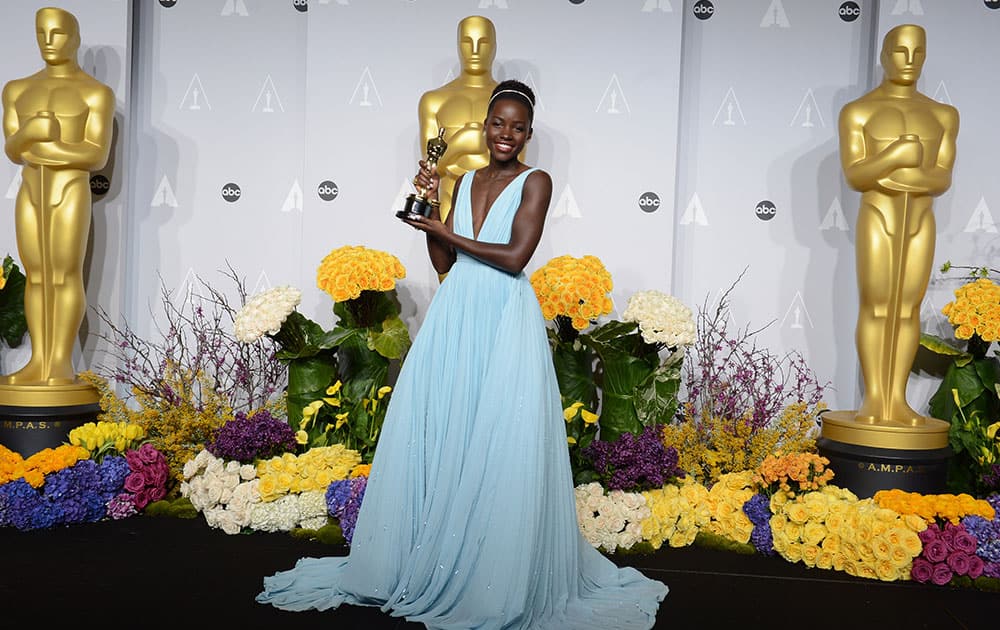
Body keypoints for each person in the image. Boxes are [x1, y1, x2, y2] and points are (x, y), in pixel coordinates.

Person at [258, 80, 668, 628]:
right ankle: (431, 556)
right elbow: (444, 261)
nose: (507, 133)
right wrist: (430, 212)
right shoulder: (467, 178)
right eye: (498, 123)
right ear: (484, 126)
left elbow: (517, 255)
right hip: (457, 311)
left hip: (504, 314)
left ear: (528, 133)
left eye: (518, 126)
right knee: (447, 426)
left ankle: (493, 571)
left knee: (498, 432)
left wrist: (441, 226)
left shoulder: (536, 181)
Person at [838, 24, 958, 426]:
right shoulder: (859, 111)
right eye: (901, 52)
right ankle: (875, 399)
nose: (909, 61)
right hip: (878, 216)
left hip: (919, 219)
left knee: (907, 308)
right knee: (876, 304)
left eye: (917, 52)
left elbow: (940, 179)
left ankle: (897, 399)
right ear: (884, 54)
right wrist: (897, 154)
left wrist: (892, 176)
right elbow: (857, 175)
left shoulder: (942, 115)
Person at [1, 7, 114, 386]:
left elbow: (95, 155)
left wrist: (44, 149)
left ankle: (60, 363)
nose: (49, 43)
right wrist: (33, 129)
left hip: (69, 189)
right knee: (36, 275)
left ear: (75, 37)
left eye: (58, 34)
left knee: (64, 274)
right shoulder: (17, 89)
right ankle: (38, 361)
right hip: (31, 189)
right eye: (41, 34)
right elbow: (14, 149)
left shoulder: (95, 93)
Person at [416, 15, 498, 226]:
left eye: (484, 42)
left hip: (497, 205)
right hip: (446, 203)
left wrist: (455, 153)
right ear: (458, 45)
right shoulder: (434, 100)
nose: (475, 50)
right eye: (467, 42)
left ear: (495, 46)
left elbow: (516, 171)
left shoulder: (507, 103)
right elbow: (431, 168)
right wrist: (463, 141)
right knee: (446, 258)